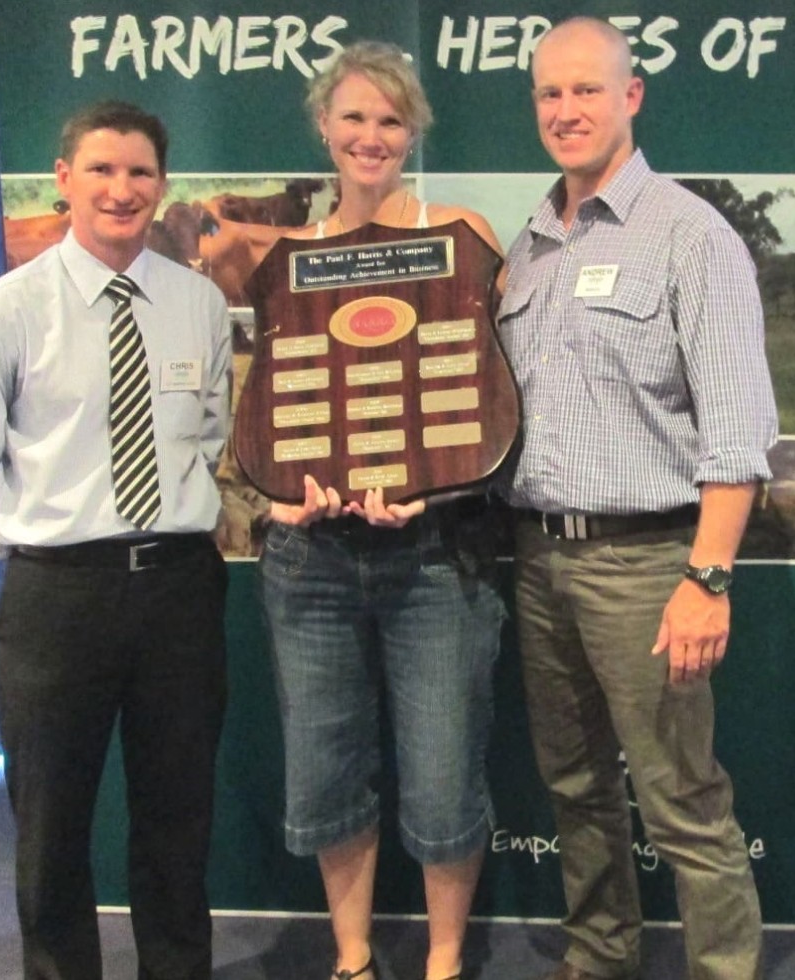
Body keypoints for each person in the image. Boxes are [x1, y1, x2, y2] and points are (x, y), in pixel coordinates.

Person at [0, 101, 232, 980]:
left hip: (178, 590)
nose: (121, 190)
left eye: (139, 173)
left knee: (178, 818)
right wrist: (32, 539)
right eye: (101, 170)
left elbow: (210, 438)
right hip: (58, 596)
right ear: (63, 180)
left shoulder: (198, 304)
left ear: (161, 186)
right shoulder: (3, 312)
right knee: (53, 827)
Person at [496, 17, 777, 980]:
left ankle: (725, 970)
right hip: (537, 562)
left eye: (584, 89)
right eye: (548, 94)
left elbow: (739, 429)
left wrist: (708, 575)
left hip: (650, 564)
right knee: (575, 789)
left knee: (680, 798)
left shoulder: (691, 236)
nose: (565, 110)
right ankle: (600, 957)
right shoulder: (527, 248)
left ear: (632, 96)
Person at [255, 41, 507, 980]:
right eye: (353, 117)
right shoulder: (289, 262)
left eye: (391, 120)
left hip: (436, 555)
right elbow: (269, 413)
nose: (371, 136)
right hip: (312, 559)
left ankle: (443, 964)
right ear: (323, 126)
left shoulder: (464, 234)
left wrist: (436, 485)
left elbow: (490, 396)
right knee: (325, 772)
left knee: (444, 780)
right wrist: (287, 496)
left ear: (414, 133)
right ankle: (352, 958)